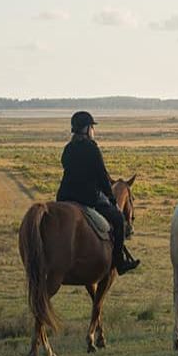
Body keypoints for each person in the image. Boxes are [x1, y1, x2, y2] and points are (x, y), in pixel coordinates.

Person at [56, 110, 139, 274]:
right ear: (87, 129)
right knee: (117, 219)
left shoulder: (68, 149)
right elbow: (102, 176)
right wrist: (112, 200)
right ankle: (119, 263)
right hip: (87, 198)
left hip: (64, 197)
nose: (93, 131)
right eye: (92, 127)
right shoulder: (92, 149)